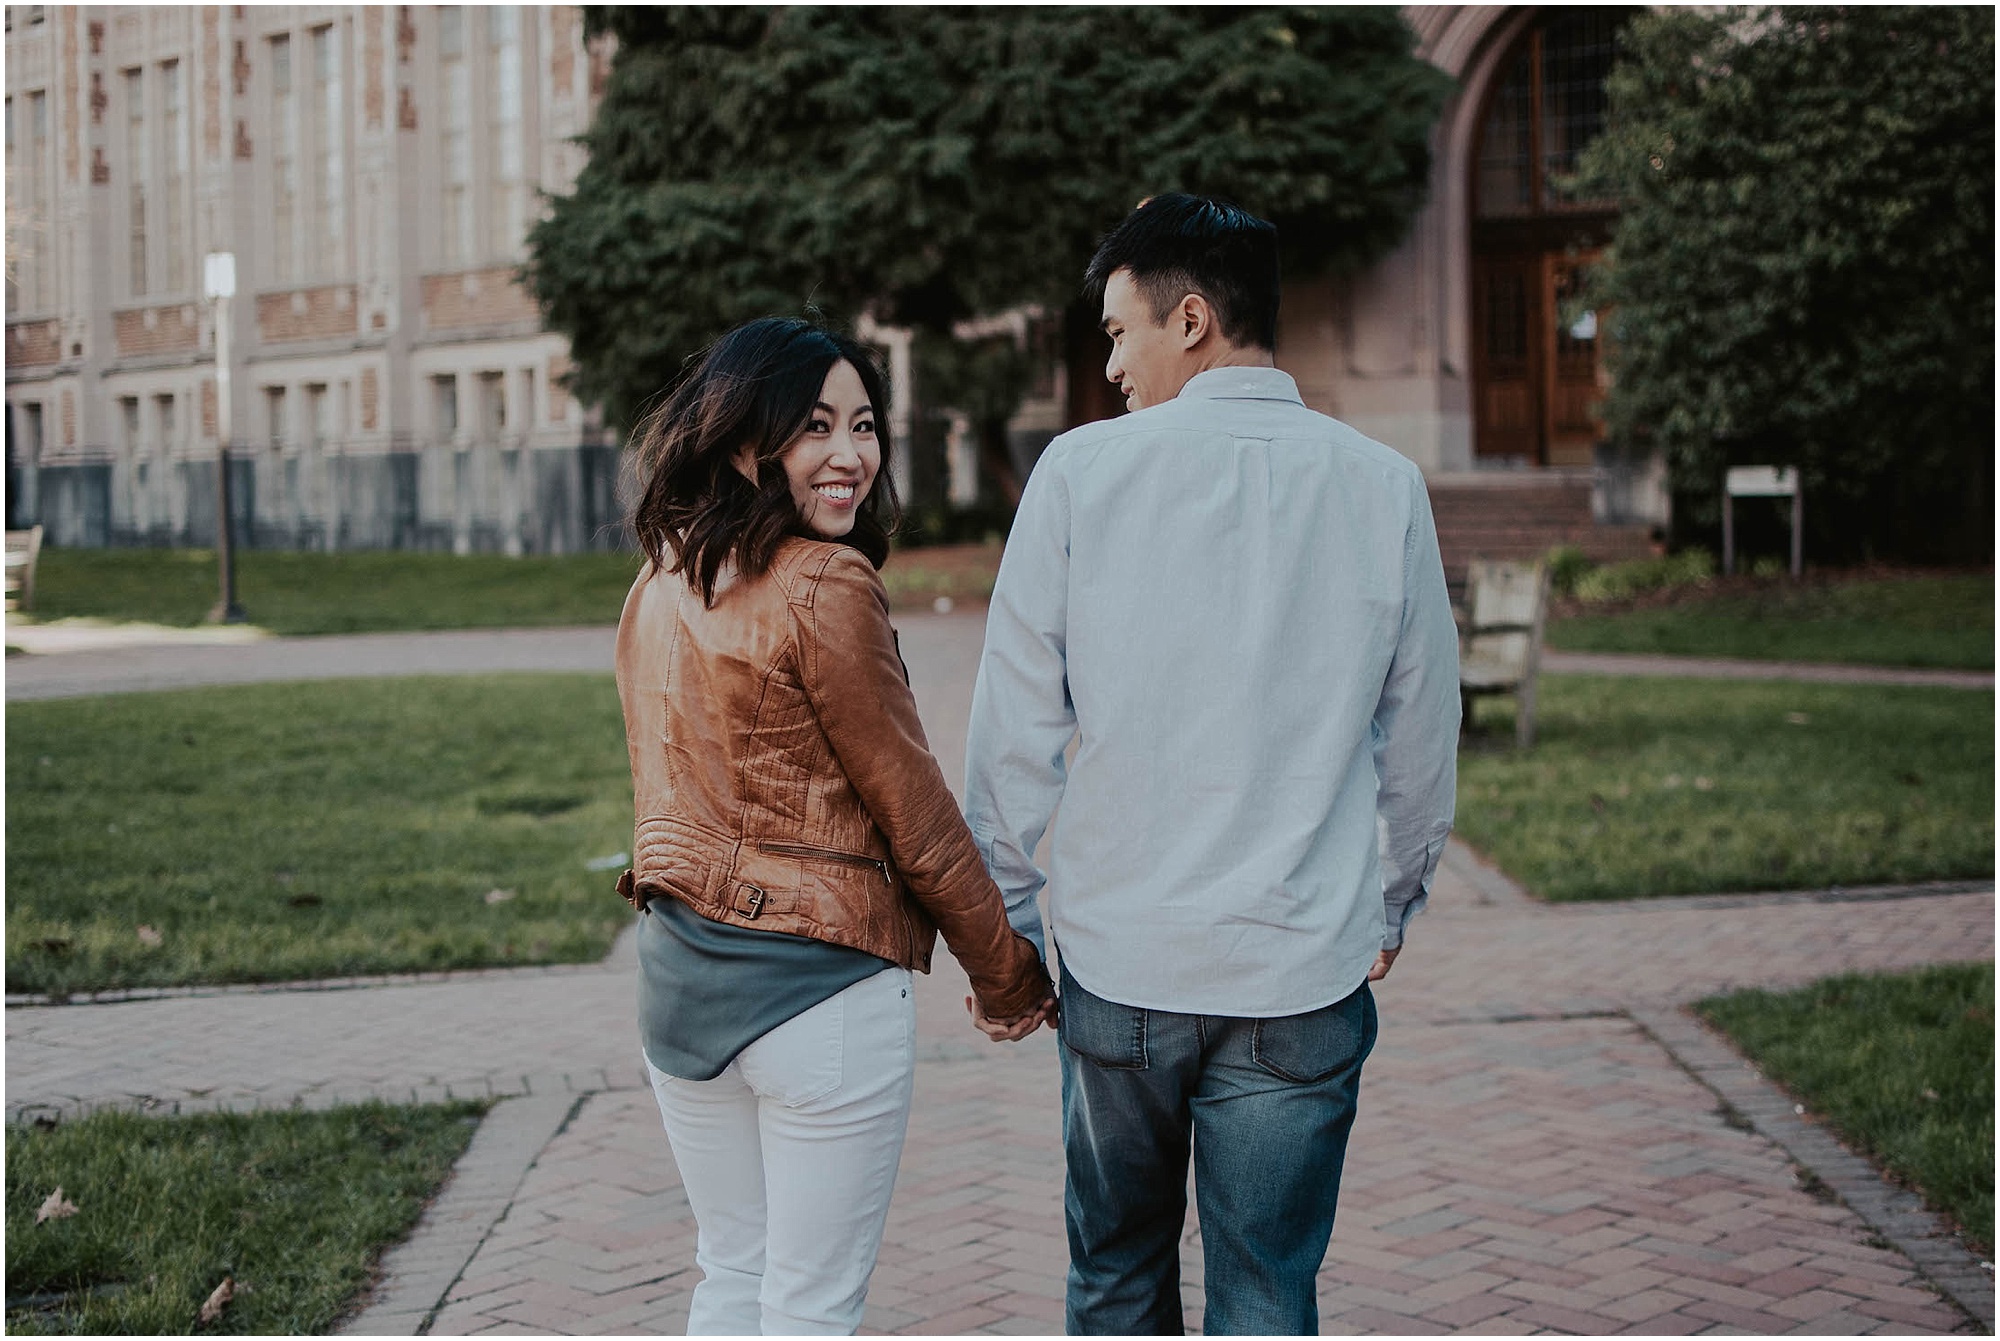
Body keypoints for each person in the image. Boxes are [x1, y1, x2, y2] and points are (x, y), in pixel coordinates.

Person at [962, 194, 1461, 1334]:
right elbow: (1421, 736)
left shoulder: (1080, 475)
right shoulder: (1380, 485)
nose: (1112, 361)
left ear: (1190, 321)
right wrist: (1393, 896)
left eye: (1118, 332)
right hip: (1300, 969)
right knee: (1268, 1294)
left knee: (1116, 1280)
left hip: (1122, 964)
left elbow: (1011, 735)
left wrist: (1014, 920)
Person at [613, 316, 1054, 1336]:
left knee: (729, 1275)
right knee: (810, 1307)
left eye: (863, 424)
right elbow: (916, 815)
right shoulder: (825, 583)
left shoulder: (661, 573)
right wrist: (1006, 976)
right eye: (813, 427)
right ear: (743, 440)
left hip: (676, 989)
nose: (850, 453)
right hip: (816, 997)